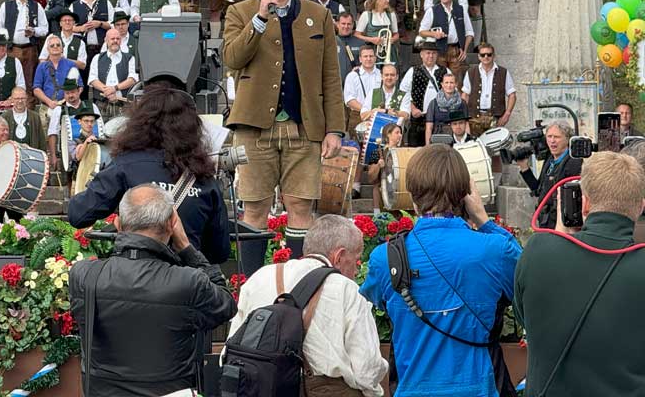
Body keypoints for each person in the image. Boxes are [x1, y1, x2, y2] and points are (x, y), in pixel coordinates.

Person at [361, 144, 522, 397]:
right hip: (479, 388)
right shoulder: (495, 251)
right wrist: (483, 219)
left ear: (413, 196)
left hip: (413, 389)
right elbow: (526, 275)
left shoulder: (385, 258)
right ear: (465, 195)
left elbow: (374, 300)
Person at [224, 0, 345, 275]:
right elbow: (233, 58)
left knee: (301, 206)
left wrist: (335, 128)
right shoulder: (240, 12)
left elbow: (330, 76)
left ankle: (297, 285)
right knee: (254, 208)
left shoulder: (319, 14)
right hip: (253, 127)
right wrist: (261, 17)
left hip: (304, 126)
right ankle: (249, 286)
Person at [69, 184, 237, 397]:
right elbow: (226, 305)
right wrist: (187, 248)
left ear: (118, 223)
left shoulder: (84, 276)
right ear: (172, 224)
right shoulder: (187, 282)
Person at [515, 151, 645, 397]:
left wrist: (560, 236)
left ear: (584, 203)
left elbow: (525, 318)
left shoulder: (538, 251)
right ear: (640, 207)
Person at [229, 214, 388, 396]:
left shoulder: (259, 278)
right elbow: (367, 368)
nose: (357, 269)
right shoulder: (346, 289)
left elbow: (231, 348)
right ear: (339, 256)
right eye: (356, 260)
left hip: (260, 388)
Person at [69, 83, 230, 262]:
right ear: (193, 127)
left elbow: (78, 214)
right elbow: (220, 252)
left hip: (134, 273)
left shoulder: (126, 166)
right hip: (186, 276)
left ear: (139, 122)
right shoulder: (204, 179)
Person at [517, 123, 582, 229]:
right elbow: (537, 190)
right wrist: (524, 167)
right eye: (549, 136)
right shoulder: (550, 159)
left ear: (567, 139)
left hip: (560, 222)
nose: (552, 141)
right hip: (545, 220)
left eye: (557, 137)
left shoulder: (573, 162)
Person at [461, 43, 517, 137]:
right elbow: (465, 95)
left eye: (489, 54)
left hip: (495, 118)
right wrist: (465, 117)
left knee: (494, 143)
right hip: (474, 118)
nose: (486, 57)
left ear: (493, 56)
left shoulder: (503, 72)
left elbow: (512, 95)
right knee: (476, 144)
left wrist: (507, 114)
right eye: (483, 55)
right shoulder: (471, 72)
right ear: (479, 56)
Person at [4, 86, 47, 152]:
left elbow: (42, 142)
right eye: (17, 98)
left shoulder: (35, 117)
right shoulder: (5, 117)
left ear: (26, 98)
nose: (20, 101)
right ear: (11, 99)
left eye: (22, 98)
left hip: (32, 156)